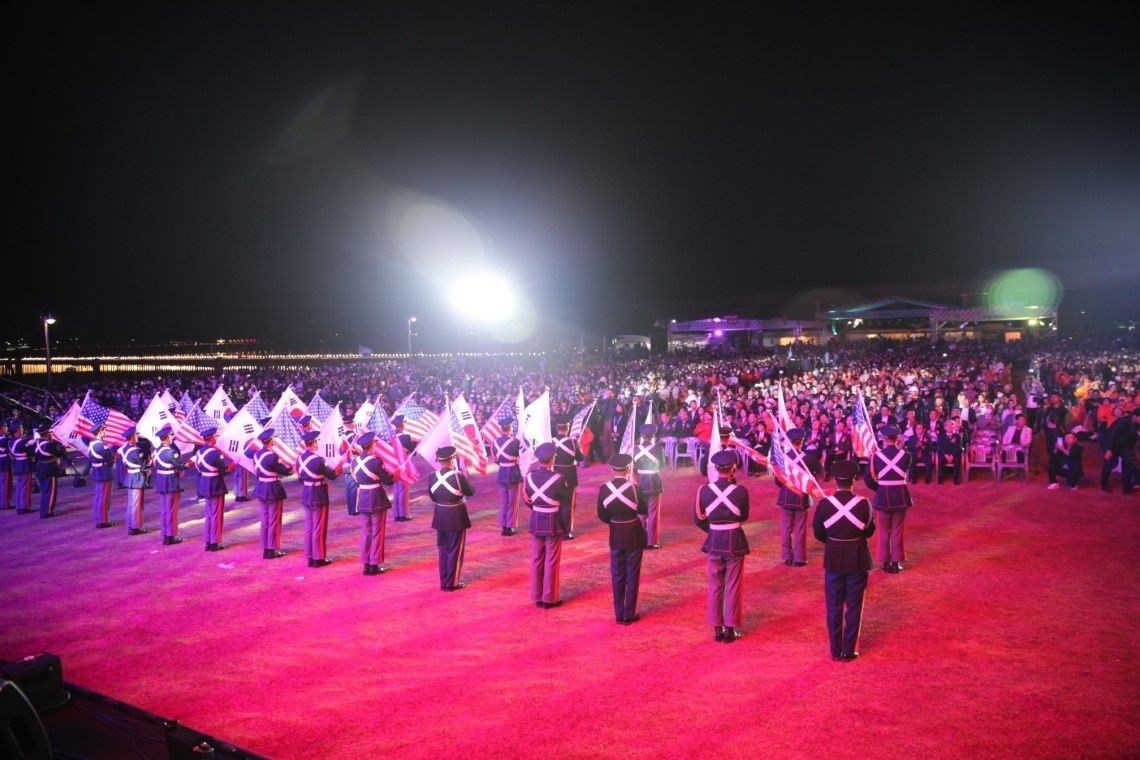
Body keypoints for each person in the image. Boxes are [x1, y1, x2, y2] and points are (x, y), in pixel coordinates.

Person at [812, 459, 876, 662]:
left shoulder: (824, 505)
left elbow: (819, 533)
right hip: (857, 557)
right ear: (854, 480)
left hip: (833, 557)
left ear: (835, 481)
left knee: (834, 605)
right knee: (854, 605)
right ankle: (849, 650)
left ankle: (835, 649)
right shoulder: (864, 504)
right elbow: (870, 531)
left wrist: (833, 542)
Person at [695, 449, 751, 643]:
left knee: (715, 584)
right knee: (733, 585)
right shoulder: (741, 492)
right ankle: (730, 627)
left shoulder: (704, 490)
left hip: (713, 539)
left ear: (716, 468)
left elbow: (699, 518)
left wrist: (713, 530)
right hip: (734, 539)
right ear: (733, 468)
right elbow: (744, 516)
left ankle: (717, 627)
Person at [596, 453, 648, 625]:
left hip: (616, 531)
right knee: (632, 574)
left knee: (617, 574)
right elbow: (643, 510)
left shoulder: (604, 489)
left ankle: (619, 613)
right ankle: (629, 613)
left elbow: (602, 515)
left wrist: (614, 521)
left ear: (612, 470)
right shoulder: (635, 488)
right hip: (633, 532)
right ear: (627, 469)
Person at [524, 442, 570, 608]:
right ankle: (549, 598)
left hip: (536, 518)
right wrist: (565, 527)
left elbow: (527, 500)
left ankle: (537, 595)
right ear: (552, 459)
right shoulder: (559, 479)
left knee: (537, 558)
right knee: (551, 560)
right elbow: (565, 504)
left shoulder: (529, 477)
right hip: (552, 520)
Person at [428, 446, 475, 591]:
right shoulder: (458, 476)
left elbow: (432, 496)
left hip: (440, 514)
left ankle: (444, 581)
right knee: (455, 549)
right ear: (452, 460)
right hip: (456, 515)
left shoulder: (432, 477)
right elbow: (471, 492)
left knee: (443, 549)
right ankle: (452, 582)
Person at [870, 425, 913, 573]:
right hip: (900, 495)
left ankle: (885, 561)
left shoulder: (876, 456)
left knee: (883, 530)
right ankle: (896, 561)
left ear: (883, 438)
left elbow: (873, 476)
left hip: (883, 494)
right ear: (897, 438)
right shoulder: (906, 455)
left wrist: (873, 457)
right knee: (897, 530)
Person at [353, 431, 396, 575]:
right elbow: (387, 481)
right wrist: (397, 474)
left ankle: (366, 564)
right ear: (371, 445)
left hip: (363, 497)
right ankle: (374, 564)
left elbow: (357, 479)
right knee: (377, 532)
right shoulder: (376, 461)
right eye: (375, 443)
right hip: (376, 497)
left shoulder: (355, 462)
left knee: (366, 533)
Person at [296, 430, 339, 568]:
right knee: (318, 527)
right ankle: (318, 557)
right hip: (318, 493)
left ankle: (310, 555)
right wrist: (340, 464)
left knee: (309, 527)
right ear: (314, 443)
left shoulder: (299, 459)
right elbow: (332, 476)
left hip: (306, 492)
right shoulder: (319, 460)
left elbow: (300, 478)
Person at [252, 428, 292, 559]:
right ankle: (272, 549)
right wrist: (292, 469)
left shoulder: (257, 455)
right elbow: (284, 471)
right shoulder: (272, 456)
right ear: (271, 440)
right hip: (272, 488)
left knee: (265, 520)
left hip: (261, 487)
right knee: (274, 520)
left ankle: (265, 548)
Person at [776, 428, 813, 567]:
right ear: (802, 442)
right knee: (800, 528)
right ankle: (799, 558)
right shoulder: (807, 459)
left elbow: (778, 480)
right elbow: (812, 480)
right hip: (801, 496)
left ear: (790, 442)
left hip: (786, 495)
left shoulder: (783, 459)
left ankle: (787, 556)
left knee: (786, 527)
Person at [192, 427, 232, 551]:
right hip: (215, 484)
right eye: (215, 436)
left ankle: (209, 541)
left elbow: (198, 467)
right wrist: (232, 466)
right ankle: (215, 542)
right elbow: (224, 470)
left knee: (209, 514)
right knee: (216, 515)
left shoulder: (199, 452)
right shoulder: (215, 453)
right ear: (212, 438)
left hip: (205, 483)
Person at [551, 415, 585, 538]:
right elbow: (581, 459)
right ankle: (566, 532)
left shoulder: (551, 441)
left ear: (557, 428)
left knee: (555, 502)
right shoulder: (573, 442)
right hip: (569, 475)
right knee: (568, 504)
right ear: (568, 427)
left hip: (554, 474)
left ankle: (556, 528)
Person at [633, 423, 665, 549]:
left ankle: (641, 539)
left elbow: (633, 466)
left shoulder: (635, 449)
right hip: (654, 482)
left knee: (641, 513)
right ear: (653, 436)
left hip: (640, 481)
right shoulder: (658, 449)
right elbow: (662, 466)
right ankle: (652, 541)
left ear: (641, 435)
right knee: (653, 513)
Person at [152, 424, 186, 545]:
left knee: (164, 510)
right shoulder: (170, 452)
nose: (172, 437)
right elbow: (181, 466)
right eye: (171, 435)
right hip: (171, 481)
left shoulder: (156, 451)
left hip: (161, 480)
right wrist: (189, 464)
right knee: (172, 510)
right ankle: (171, 535)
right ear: (166, 437)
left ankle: (166, 534)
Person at [35, 423, 72, 519]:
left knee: (44, 491)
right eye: (50, 432)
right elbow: (59, 453)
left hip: (41, 467)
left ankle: (44, 510)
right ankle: (48, 511)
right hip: (49, 468)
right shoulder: (48, 445)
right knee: (50, 492)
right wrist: (62, 447)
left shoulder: (37, 443)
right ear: (47, 433)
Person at [493, 419, 523, 536]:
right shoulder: (515, 442)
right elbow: (520, 456)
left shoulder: (495, 442)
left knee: (503, 502)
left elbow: (495, 459)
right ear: (510, 428)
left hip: (502, 472)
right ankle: (510, 527)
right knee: (513, 502)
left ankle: (503, 526)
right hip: (513, 473)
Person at [1100, 408, 1138, 494]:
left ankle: (1127, 487)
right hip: (1109, 442)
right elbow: (1111, 434)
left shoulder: (1136, 423)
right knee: (1108, 463)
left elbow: (1133, 437)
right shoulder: (1123, 421)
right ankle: (1104, 484)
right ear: (1135, 416)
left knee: (1129, 462)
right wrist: (1108, 449)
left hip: (1122, 444)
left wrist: (1131, 449)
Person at [120, 427, 151, 535]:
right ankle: (136, 527)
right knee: (137, 504)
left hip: (130, 476)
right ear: (132, 436)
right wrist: (151, 461)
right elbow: (144, 465)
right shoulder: (136, 451)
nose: (137, 436)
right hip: (137, 477)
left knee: (131, 504)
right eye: (136, 435)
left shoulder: (124, 448)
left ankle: (131, 524)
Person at [87, 424, 116, 528]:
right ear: (100, 432)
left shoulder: (92, 443)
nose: (105, 432)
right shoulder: (101, 445)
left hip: (97, 470)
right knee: (104, 497)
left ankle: (99, 517)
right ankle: (103, 520)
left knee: (99, 496)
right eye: (104, 430)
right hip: (104, 471)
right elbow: (110, 459)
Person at [390, 415, 417, 522]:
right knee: (403, 490)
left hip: (394, 465)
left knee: (396, 491)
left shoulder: (391, 437)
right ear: (401, 425)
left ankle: (396, 513)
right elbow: (413, 451)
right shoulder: (406, 437)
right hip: (403, 465)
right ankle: (403, 514)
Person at [11, 422, 34, 515]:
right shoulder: (21, 442)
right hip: (24, 464)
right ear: (17, 431)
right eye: (21, 429)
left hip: (17, 464)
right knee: (25, 486)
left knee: (19, 487)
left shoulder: (10, 441)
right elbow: (30, 451)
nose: (22, 430)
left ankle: (19, 506)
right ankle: (24, 506)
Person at [342, 415, 361, 517]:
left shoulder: (344, 434)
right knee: (353, 488)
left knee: (350, 488)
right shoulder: (351, 435)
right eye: (353, 422)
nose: (354, 423)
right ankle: (354, 509)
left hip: (347, 464)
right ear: (349, 423)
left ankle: (352, 509)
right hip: (352, 464)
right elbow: (355, 448)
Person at [936, 418, 964, 485]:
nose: (950, 427)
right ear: (945, 427)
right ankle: (940, 477)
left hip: (954, 454)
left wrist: (952, 455)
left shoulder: (957, 436)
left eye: (952, 425)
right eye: (948, 425)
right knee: (941, 460)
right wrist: (945, 455)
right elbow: (940, 447)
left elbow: (958, 447)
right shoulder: (940, 436)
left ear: (954, 426)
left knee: (957, 460)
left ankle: (955, 478)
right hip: (944, 454)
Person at [0, 419, 12, 510]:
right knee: (5, 484)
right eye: (5, 427)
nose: (6, 428)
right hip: (4, 462)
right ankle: (4, 503)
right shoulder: (4, 440)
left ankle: (3, 502)